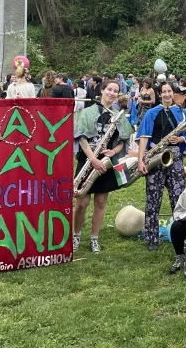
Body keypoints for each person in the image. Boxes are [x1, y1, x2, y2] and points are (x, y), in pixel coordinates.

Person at [72, 80, 133, 253]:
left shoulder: (118, 116)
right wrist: (93, 159)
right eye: (109, 89)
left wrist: (114, 152)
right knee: (82, 202)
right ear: (103, 90)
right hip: (89, 159)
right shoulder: (88, 112)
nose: (112, 93)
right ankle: (76, 236)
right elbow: (81, 138)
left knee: (100, 201)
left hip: (105, 162)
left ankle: (94, 239)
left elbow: (123, 141)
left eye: (116, 90)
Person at [136, 81, 186, 251]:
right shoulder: (151, 113)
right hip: (155, 158)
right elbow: (144, 138)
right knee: (153, 200)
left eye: (170, 91)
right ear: (159, 94)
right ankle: (152, 238)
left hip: (174, 158)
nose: (167, 94)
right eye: (164, 92)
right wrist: (140, 160)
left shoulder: (181, 113)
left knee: (179, 199)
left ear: (172, 93)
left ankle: (181, 235)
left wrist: (180, 139)